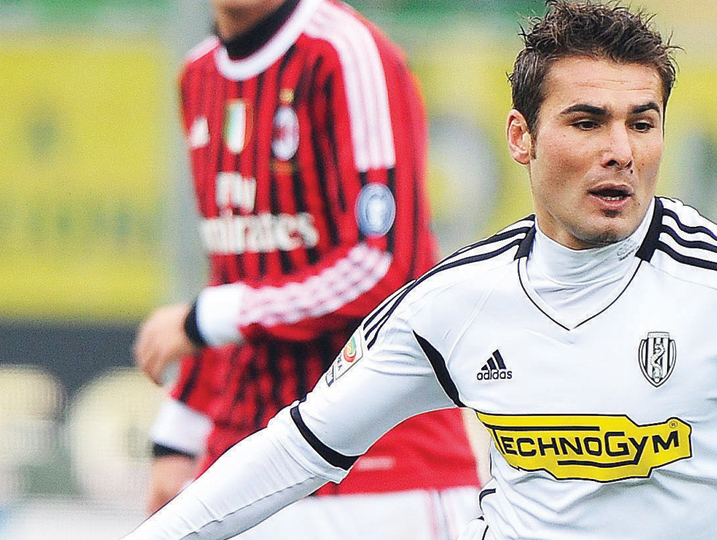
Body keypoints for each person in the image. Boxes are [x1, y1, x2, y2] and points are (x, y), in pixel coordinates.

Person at [125, 2, 717, 539]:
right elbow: (297, 450)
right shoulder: (455, 303)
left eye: (642, 123)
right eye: (587, 121)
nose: (620, 151)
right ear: (520, 138)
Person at [131, 0, 481, 537]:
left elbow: (382, 266)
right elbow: (237, 266)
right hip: (247, 462)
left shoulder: (345, 51)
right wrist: (179, 434)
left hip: (380, 469)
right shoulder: (197, 74)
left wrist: (210, 317)